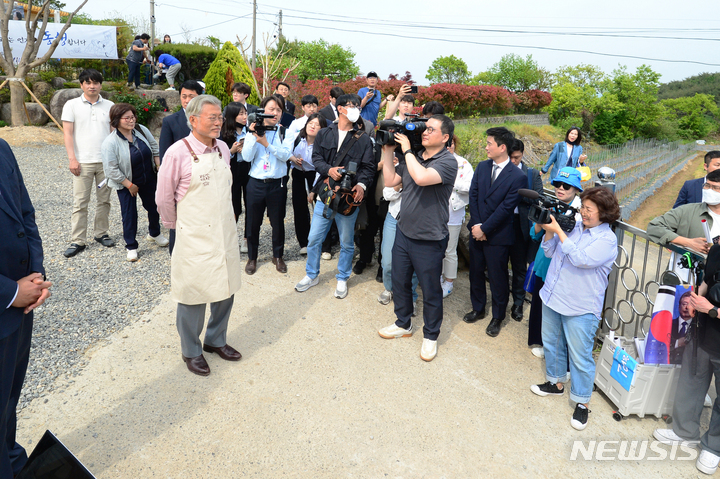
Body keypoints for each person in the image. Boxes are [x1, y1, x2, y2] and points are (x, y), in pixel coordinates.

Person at [155, 95, 243, 377]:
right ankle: (191, 350)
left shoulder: (223, 150)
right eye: (212, 117)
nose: (219, 122)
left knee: (225, 288)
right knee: (193, 294)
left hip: (224, 232)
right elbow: (164, 197)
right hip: (194, 234)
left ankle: (215, 340)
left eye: (220, 117)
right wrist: (174, 226)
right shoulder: (177, 153)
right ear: (193, 120)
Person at [530, 187, 620, 431]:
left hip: (580, 306)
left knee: (580, 357)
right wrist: (549, 231)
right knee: (552, 343)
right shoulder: (576, 224)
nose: (583, 212)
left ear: (604, 213)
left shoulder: (607, 240)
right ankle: (556, 383)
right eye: (583, 207)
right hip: (553, 295)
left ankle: (582, 402)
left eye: (589, 209)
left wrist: (558, 230)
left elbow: (581, 259)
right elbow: (549, 251)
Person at [376, 115, 458, 361]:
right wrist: (387, 150)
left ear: (445, 137)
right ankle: (403, 323)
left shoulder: (447, 162)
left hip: (430, 237)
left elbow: (422, 178)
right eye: (424, 128)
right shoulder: (416, 156)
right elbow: (390, 181)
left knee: (431, 289)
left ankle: (431, 335)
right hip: (404, 230)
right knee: (399, 281)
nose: (424, 132)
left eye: (431, 129)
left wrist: (407, 150)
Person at [0, 139, 52, 478]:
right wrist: (9, 292)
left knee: (7, 400)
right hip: (8, 298)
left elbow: (25, 214)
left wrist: (35, 278)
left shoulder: (2, 147)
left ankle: (10, 456)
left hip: (20, 307)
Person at [294, 94, 375, 299]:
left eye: (358, 105)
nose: (356, 108)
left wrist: (362, 185)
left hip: (348, 199)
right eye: (351, 105)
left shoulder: (363, 138)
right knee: (314, 239)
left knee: (347, 242)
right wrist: (329, 170)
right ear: (340, 108)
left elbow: (368, 167)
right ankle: (312, 274)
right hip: (326, 194)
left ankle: (342, 277)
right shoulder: (324, 133)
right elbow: (317, 158)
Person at [653, 245, 720, 475]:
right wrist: (696, 300)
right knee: (691, 380)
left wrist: (712, 309)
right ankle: (684, 430)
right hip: (703, 332)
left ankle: (714, 447)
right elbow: (708, 281)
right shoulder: (717, 249)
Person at [464, 127, 526, 337]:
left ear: (502, 147)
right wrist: (477, 226)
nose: (486, 147)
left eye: (489, 143)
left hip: (497, 236)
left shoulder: (517, 176)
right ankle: (478, 308)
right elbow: (473, 196)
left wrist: (485, 228)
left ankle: (497, 316)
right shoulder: (481, 167)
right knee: (476, 272)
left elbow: (506, 208)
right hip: (476, 231)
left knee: (498, 278)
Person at [101, 103, 168, 261]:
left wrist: (158, 165)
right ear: (116, 120)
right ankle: (131, 246)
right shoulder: (110, 143)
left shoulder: (140, 129)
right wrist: (130, 185)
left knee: (154, 206)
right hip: (126, 183)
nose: (132, 121)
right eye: (127, 118)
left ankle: (154, 233)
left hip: (148, 177)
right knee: (129, 215)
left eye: (133, 117)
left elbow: (154, 147)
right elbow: (111, 169)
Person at [527, 167, 582, 358]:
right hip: (544, 263)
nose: (560, 188)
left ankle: (554, 349)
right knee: (539, 305)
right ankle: (541, 342)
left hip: (562, 269)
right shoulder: (553, 204)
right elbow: (534, 235)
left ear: (576, 189)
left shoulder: (580, 213)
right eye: (557, 184)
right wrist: (539, 219)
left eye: (566, 186)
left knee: (555, 311)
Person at [62, 68, 115, 258]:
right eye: (88, 83)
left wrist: (114, 160)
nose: (92, 86)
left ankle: (101, 233)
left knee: (104, 201)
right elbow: (67, 133)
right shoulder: (71, 105)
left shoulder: (110, 105)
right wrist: (72, 159)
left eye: (96, 83)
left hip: (105, 162)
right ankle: (78, 240)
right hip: (82, 162)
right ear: (81, 84)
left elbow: (113, 134)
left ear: (101, 85)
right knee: (80, 202)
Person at [241, 95, 294, 275]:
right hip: (255, 183)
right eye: (271, 109)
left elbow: (286, 155)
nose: (275, 113)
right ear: (262, 111)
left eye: (279, 110)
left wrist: (266, 144)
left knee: (278, 222)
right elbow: (247, 157)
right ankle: (252, 257)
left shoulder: (285, 132)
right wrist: (251, 133)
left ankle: (278, 256)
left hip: (277, 184)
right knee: (253, 223)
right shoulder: (253, 131)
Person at [506, 139, 544, 319]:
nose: (513, 161)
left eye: (516, 158)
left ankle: (518, 304)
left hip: (521, 227)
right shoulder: (500, 171)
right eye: (510, 157)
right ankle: (501, 301)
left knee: (520, 267)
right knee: (498, 265)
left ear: (522, 155)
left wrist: (518, 193)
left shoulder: (531, 174)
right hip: (501, 224)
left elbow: (539, 199)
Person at [647, 168, 720, 256]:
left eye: (715, 188)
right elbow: (654, 226)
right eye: (707, 186)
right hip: (685, 268)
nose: (709, 190)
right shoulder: (687, 210)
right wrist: (687, 242)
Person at [440, 135, 473, 298]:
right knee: (435, 248)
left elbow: (470, 187)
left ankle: (449, 282)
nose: (448, 147)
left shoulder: (464, 164)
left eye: (451, 144)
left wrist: (451, 183)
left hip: (453, 213)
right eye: (446, 144)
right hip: (436, 213)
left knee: (449, 249)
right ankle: (437, 276)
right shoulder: (436, 160)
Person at [289, 113, 327, 254]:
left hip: (316, 175)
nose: (313, 126)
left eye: (317, 125)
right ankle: (304, 242)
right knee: (299, 208)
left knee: (320, 207)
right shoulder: (296, 138)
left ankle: (323, 243)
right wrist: (293, 159)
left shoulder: (323, 144)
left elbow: (321, 167)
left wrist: (314, 190)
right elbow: (285, 153)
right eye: (311, 123)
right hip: (299, 174)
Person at [220, 102, 249, 253]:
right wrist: (231, 151)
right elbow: (217, 157)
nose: (245, 117)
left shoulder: (250, 132)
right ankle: (230, 239)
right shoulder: (223, 133)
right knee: (233, 207)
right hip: (232, 173)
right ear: (232, 116)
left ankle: (246, 239)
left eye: (245, 113)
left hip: (248, 171)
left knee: (250, 205)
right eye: (241, 114)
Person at [159, 80, 203, 162]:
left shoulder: (208, 118)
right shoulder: (170, 121)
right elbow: (165, 153)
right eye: (184, 97)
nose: (187, 100)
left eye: (191, 97)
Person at [670, 290, 694, 364]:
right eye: (684, 304)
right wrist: (677, 343)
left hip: (690, 366)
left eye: (691, 305)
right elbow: (660, 345)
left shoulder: (698, 327)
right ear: (679, 306)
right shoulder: (669, 324)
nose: (687, 308)